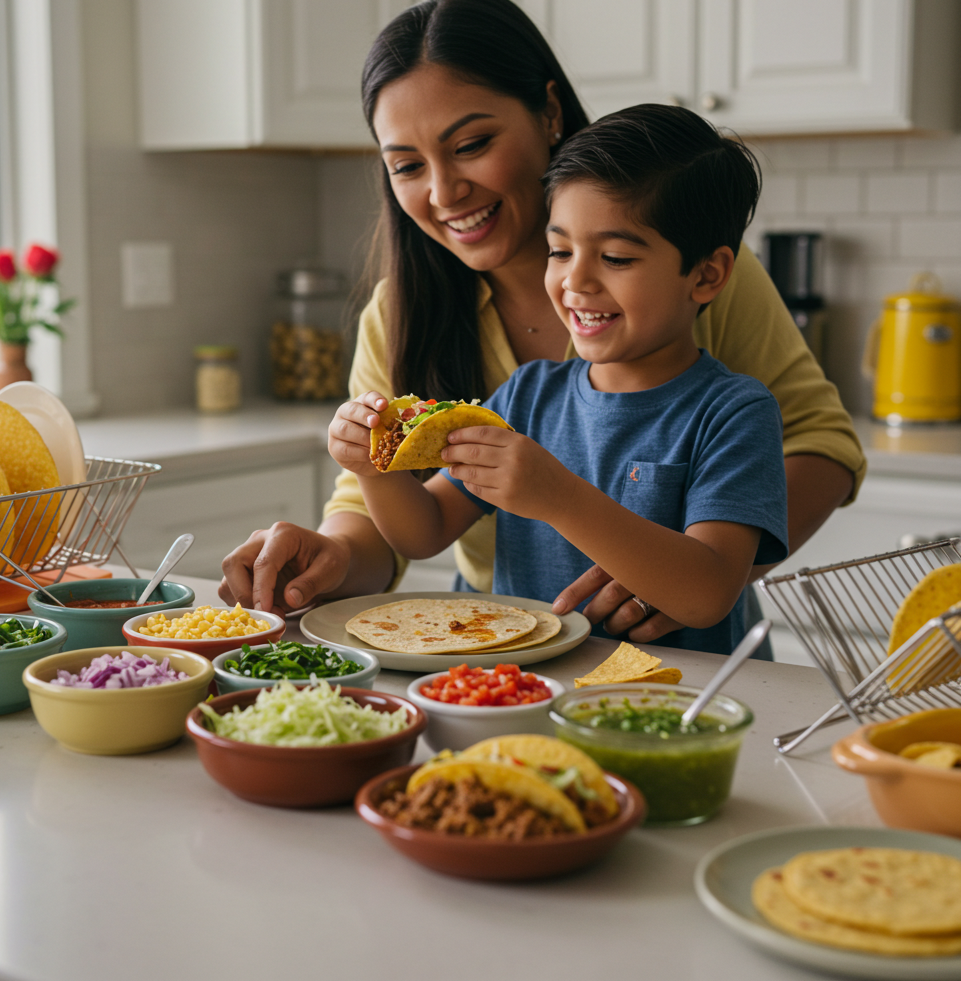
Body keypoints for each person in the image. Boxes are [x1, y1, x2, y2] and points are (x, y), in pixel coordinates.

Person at [219, 0, 864, 646]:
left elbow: (818, 445)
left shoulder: (696, 293)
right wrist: (354, 496)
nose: (443, 192)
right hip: (510, 648)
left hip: (678, 665)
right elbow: (407, 526)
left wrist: (673, 571)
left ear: (549, 112)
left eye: (471, 143)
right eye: (408, 166)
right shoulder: (491, 372)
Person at [327, 105, 788, 654]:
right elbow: (423, 532)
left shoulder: (734, 412)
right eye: (560, 251)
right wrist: (372, 466)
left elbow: (708, 592)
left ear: (707, 274)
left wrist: (558, 498)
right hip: (533, 690)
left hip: (682, 700)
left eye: (615, 257)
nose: (576, 280)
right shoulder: (528, 394)